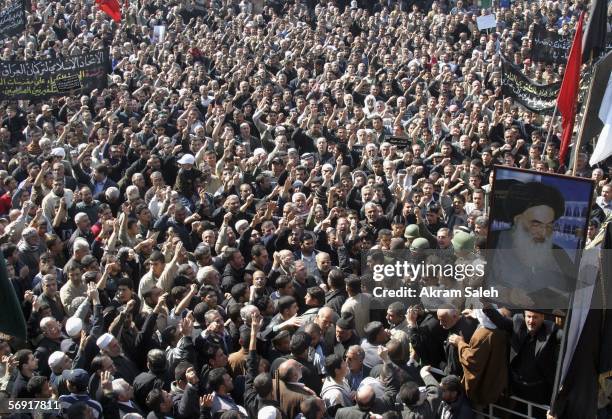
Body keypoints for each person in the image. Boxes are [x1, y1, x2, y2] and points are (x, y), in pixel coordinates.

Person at [488, 181, 574, 305]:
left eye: (549, 226)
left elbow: (575, 296)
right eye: (536, 224)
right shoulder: (493, 242)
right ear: (517, 219)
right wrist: (506, 294)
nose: (543, 232)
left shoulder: (559, 253)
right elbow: (475, 285)